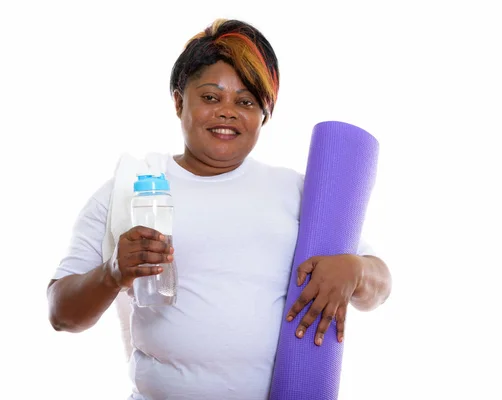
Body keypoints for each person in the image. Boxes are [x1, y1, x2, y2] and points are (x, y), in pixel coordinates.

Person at [47, 18, 392, 400]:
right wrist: (113, 272)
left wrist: (356, 270)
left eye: (246, 102)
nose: (228, 112)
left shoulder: (298, 192)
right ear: (179, 101)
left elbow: (380, 285)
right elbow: (62, 314)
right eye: (211, 97)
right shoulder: (131, 188)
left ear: (264, 115)